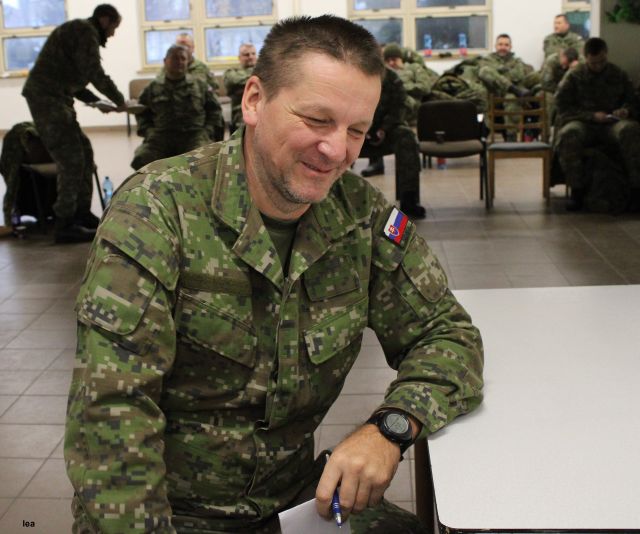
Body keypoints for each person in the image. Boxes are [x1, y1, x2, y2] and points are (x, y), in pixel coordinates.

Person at [65, 15, 484, 533]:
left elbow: (448, 334)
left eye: (355, 130)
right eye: (317, 120)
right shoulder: (157, 211)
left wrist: (391, 428)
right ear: (254, 101)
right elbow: (110, 414)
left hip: (297, 504)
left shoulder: (360, 217)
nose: (337, 151)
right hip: (172, 516)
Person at [22, 4, 125, 243]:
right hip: (47, 99)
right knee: (71, 159)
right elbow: (94, 73)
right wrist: (120, 101)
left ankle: (81, 214)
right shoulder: (85, 31)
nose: (112, 34)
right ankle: (65, 223)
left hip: (57, 97)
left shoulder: (79, 31)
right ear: (104, 20)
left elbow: (74, 78)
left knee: (85, 152)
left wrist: (97, 102)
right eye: (114, 27)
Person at [555, 37, 640, 211]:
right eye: (593, 63)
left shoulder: (617, 74)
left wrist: (625, 111)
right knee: (569, 134)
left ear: (606, 55)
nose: (598, 66)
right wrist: (591, 116)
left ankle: (636, 190)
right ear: (586, 57)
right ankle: (577, 192)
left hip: (612, 124)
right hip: (584, 123)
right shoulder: (574, 76)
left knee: (630, 130)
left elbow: (633, 101)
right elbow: (563, 107)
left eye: (602, 61)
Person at [131, 45, 224, 170]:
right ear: (165, 61)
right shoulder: (153, 87)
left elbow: (214, 110)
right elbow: (142, 111)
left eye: (183, 58)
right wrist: (148, 131)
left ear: (188, 62)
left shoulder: (200, 85)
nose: (179, 62)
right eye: (175, 58)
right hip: (162, 135)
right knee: (142, 159)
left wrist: (207, 131)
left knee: (204, 161)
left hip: (194, 134)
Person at [358, 64, 428, 219]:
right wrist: (359, 129)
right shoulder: (347, 74)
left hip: (386, 130)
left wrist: (384, 129)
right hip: (351, 130)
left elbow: (400, 106)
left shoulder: (390, 77)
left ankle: (409, 199)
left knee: (406, 137)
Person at [383, 43, 438, 125]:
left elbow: (425, 87)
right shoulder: (384, 74)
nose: (391, 63)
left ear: (400, 58)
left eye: (394, 59)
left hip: (410, 103)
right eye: (387, 61)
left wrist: (401, 88)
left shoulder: (414, 68)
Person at [223, 43, 257, 133]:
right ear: (239, 57)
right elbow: (233, 81)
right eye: (246, 54)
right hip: (241, 114)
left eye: (253, 54)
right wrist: (256, 78)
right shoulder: (231, 72)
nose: (251, 57)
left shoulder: (265, 70)